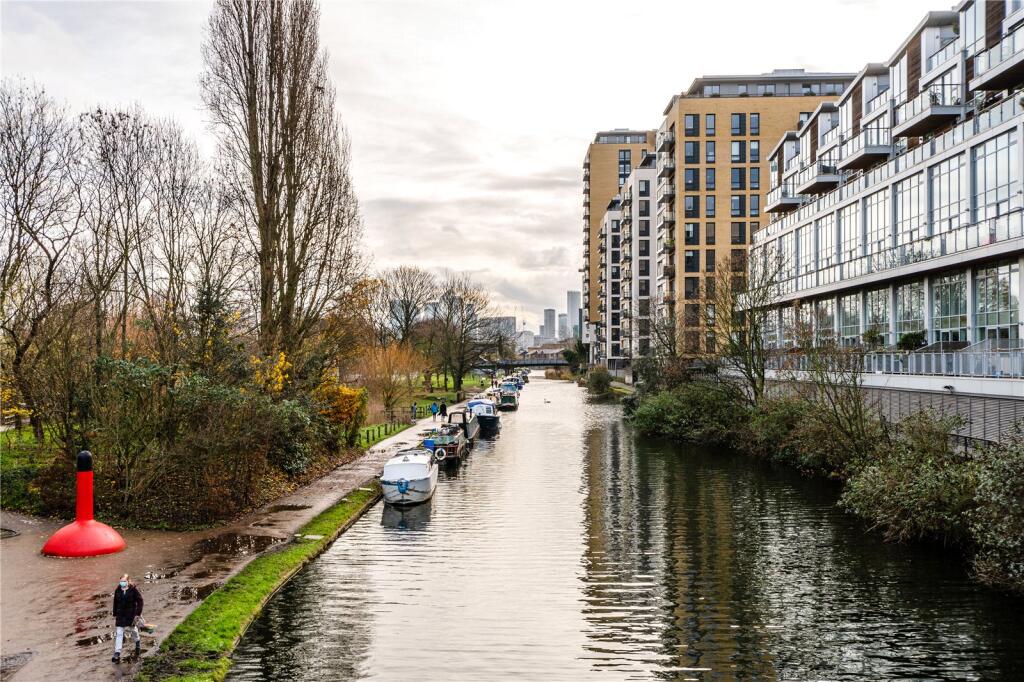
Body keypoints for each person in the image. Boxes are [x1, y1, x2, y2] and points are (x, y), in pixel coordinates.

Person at [112, 574, 143, 663]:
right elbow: (115, 602)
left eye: (124, 581)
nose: (122, 583)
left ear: (128, 581)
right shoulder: (117, 590)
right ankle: (117, 653)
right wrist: (115, 613)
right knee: (119, 633)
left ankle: (137, 641)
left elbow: (140, 601)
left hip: (131, 615)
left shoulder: (133, 590)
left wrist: (138, 613)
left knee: (133, 631)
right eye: (121, 581)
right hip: (120, 615)